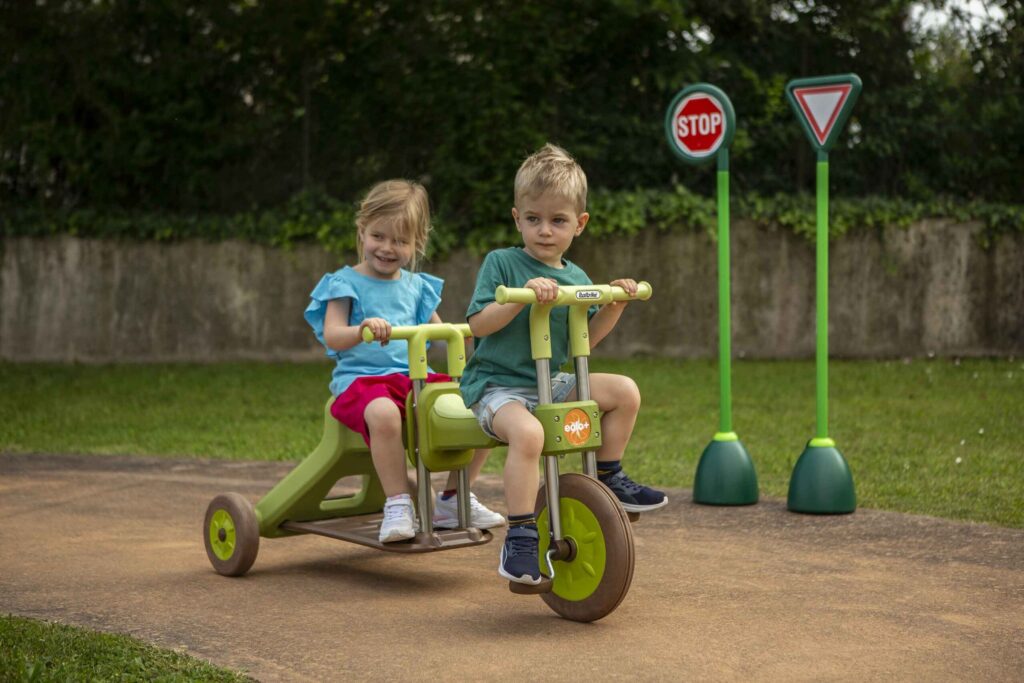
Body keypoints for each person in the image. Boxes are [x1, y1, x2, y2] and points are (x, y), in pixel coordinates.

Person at [460, 144, 667, 585]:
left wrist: (616, 302)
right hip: (499, 387)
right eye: (533, 219)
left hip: (550, 382)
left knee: (624, 391)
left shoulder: (576, 278)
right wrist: (523, 299)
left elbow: (584, 341)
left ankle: (609, 477)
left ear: (580, 224)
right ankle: (519, 534)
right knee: (531, 433)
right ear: (517, 218)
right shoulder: (503, 263)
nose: (545, 231)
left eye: (558, 221)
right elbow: (478, 323)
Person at [304, 180, 504, 544]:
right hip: (363, 382)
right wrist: (362, 328)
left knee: (482, 403)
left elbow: (442, 334)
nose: (387, 248)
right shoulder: (344, 283)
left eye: (400, 241)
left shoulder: (416, 287)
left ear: (416, 243)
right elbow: (333, 335)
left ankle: (453, 496)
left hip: (415, 379)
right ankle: (397, 503)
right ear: (362, 230)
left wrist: (464, 334)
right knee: (383, 413)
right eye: (378, 236)